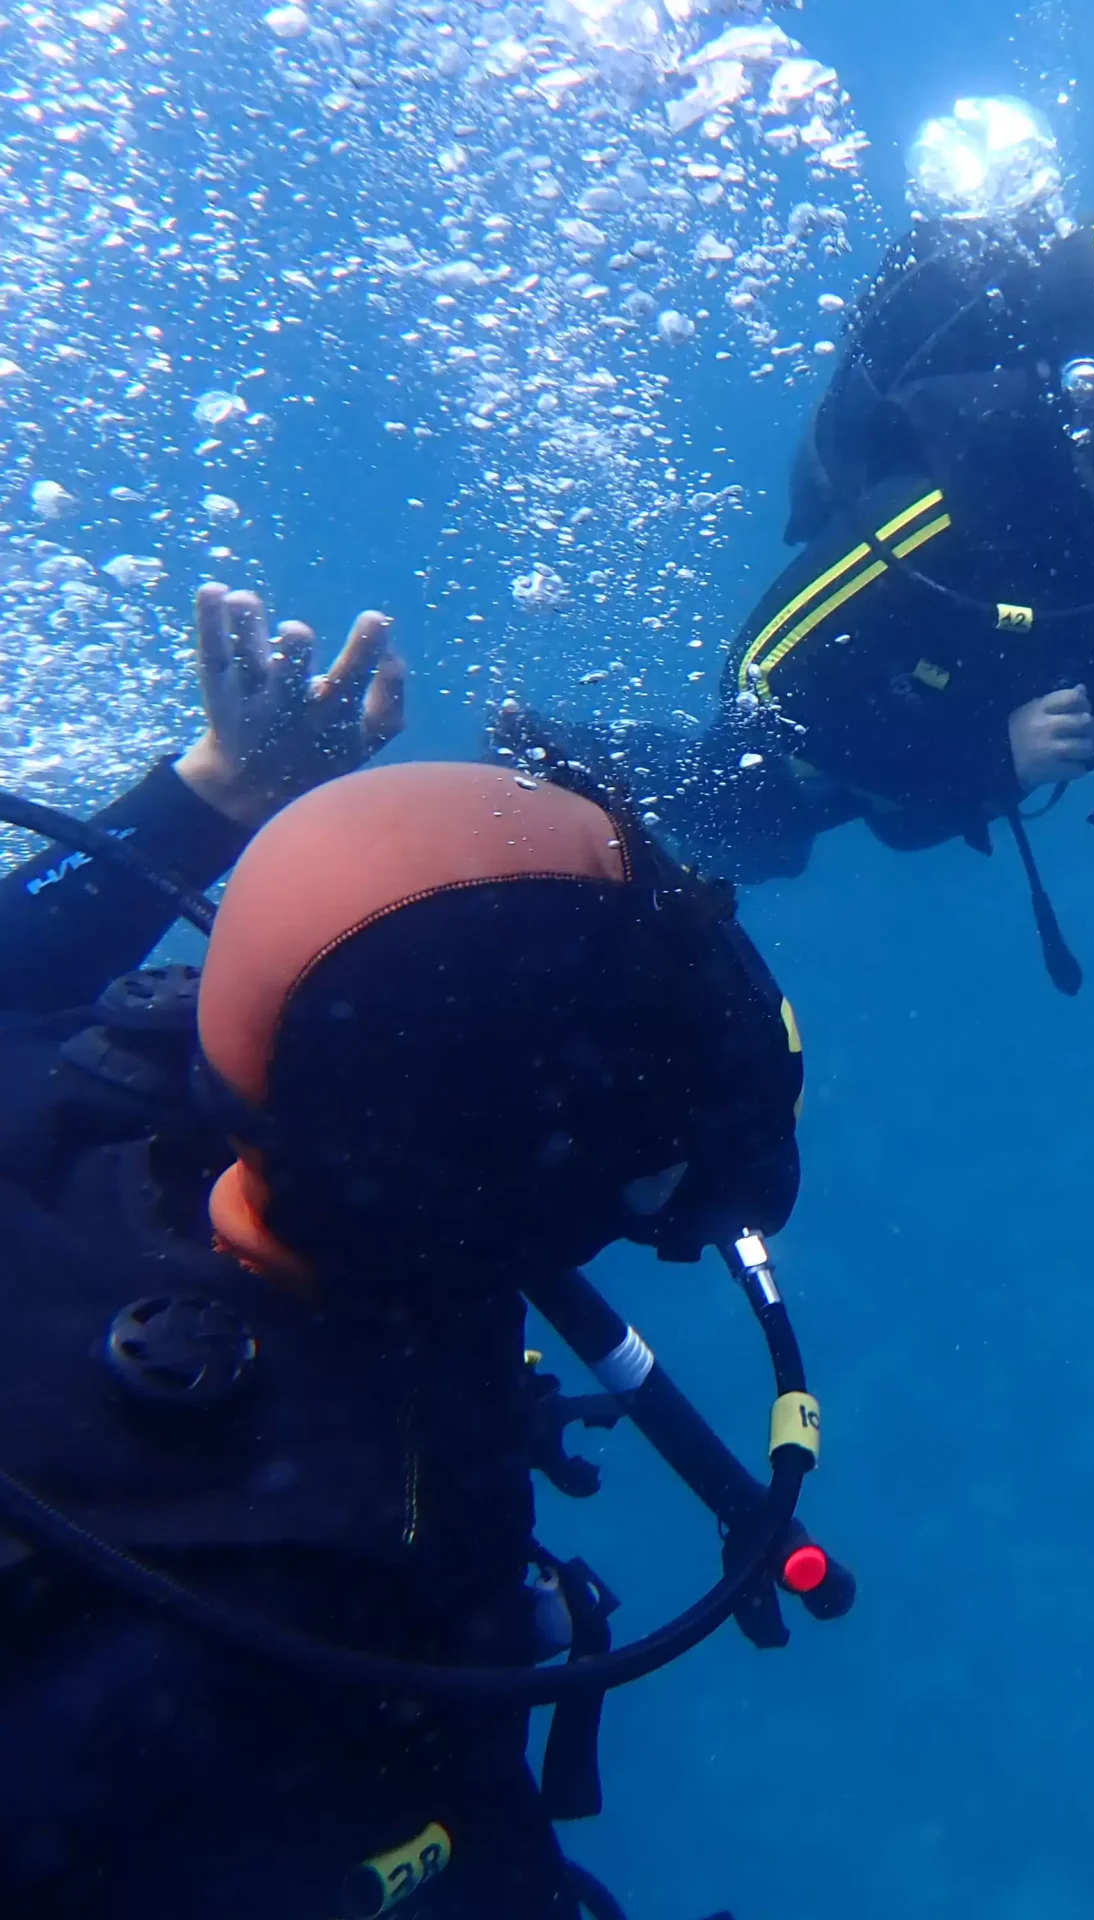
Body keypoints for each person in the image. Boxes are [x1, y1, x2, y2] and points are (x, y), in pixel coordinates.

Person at [0, 586, 826, 1917]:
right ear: (501, 1178)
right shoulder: (283, 1625)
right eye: (645, 1168)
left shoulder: (88, 1081)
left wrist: (212, 799)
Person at [544, 132, 1094, 992]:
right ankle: (536, 769)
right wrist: (987, 757)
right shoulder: (952, 496)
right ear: (1072, 431)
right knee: (745, 821)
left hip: (1000, 745)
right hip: (885, 735)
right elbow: (757, 680)